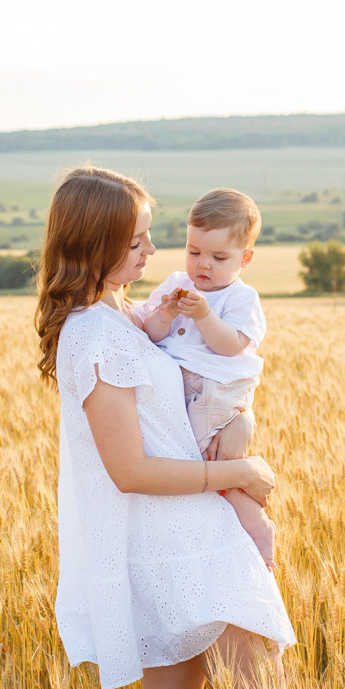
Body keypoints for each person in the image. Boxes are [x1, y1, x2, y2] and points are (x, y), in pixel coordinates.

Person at [34, 165, 297, 689]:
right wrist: (237, 473)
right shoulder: (97, 335)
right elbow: (130, 468)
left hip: (175, 536)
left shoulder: (111, 320)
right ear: (96, 243)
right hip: (185, 537)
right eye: (138, 241)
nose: (152, 254)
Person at [133, 187, 278, 569]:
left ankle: (255, 526)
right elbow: (152, 333)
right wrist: (163, 315)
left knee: (195, 465)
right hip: (186, 385)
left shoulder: (241, 299)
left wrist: (203, 316)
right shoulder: (176, 283)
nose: (203, 265)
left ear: (244, 258)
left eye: (218, 257)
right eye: (194, 251)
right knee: (193, 464)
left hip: (216, 388)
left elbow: (231, 346)